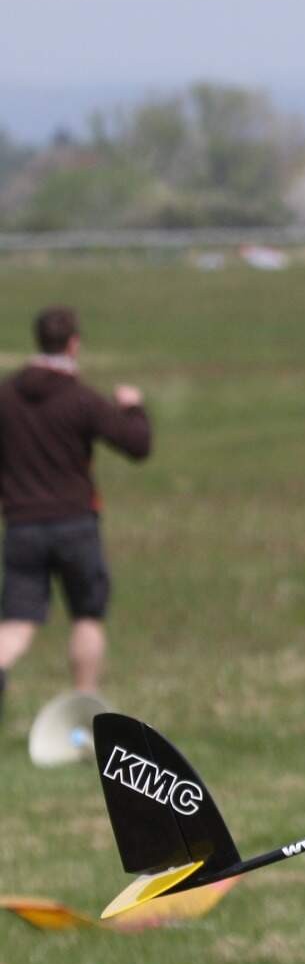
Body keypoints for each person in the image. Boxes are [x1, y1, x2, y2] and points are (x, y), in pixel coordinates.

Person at [0, 306, 152, 726]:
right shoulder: (80, 398)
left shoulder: (6, 397)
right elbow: (137, 444)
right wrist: (133, 407)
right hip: (75, 524)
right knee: (86, 617)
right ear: (73, 344)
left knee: (17, 624)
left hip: (21, 524)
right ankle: (84, 716)